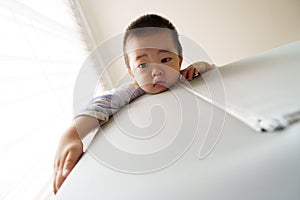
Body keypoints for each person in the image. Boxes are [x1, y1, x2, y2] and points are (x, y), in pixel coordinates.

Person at [53, 14, 213, 194]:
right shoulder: (132, 91)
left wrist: (199, 66)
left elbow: (208, 67)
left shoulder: (182, 77)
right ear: (131, 73)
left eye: (166, 60)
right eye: (143, 65)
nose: (156, 72)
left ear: (180, 61)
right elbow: (101, 104)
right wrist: (72, 134)